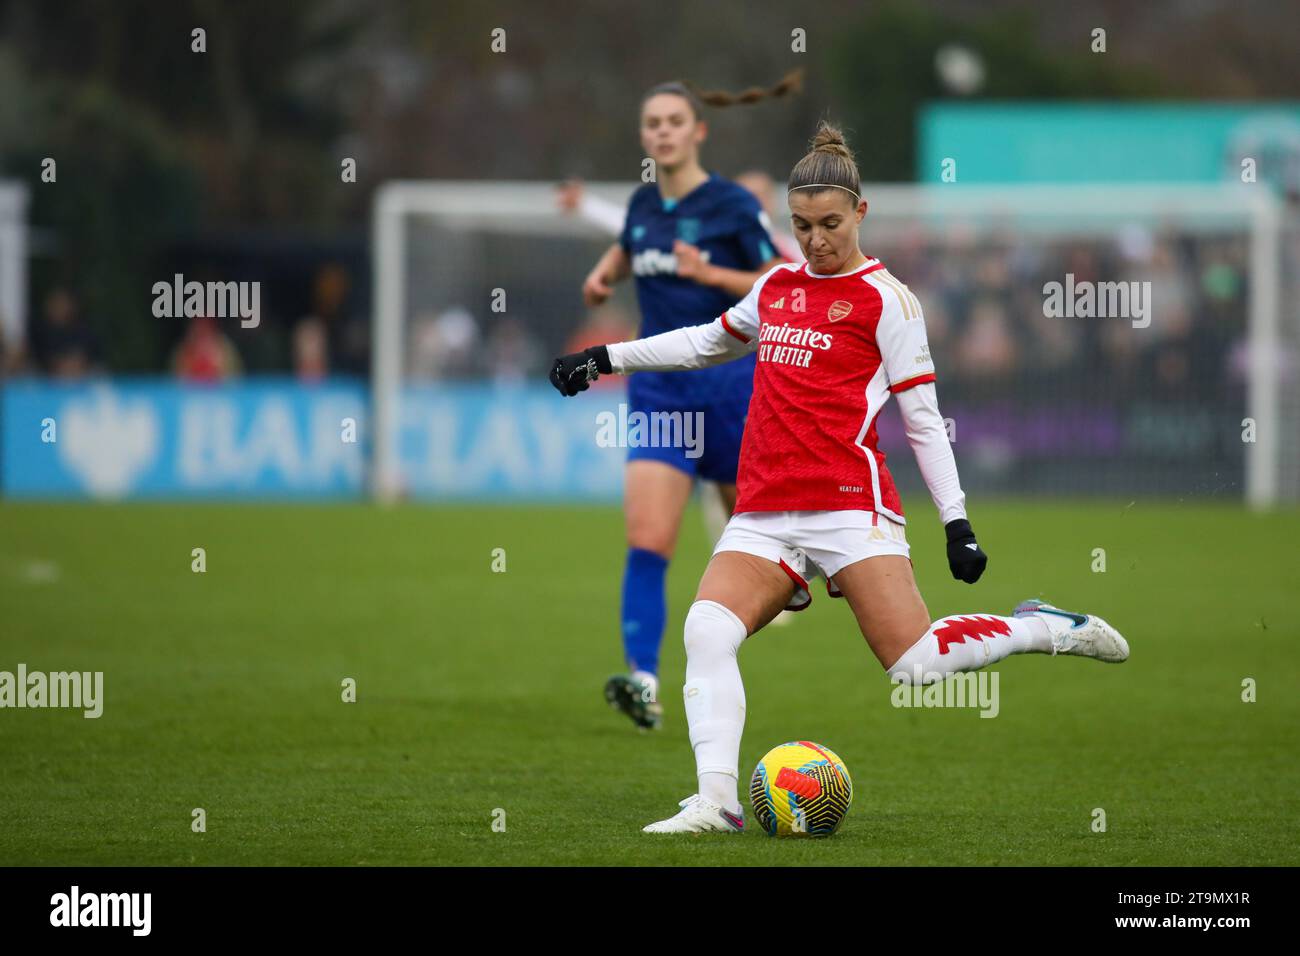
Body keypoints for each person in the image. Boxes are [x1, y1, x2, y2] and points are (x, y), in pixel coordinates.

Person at [550, 122, 1130, 834]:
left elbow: (924, 420)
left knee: (915, 667)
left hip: (851, 509)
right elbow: (706, 343)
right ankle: (717, 802)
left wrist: (958, 522)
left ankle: (1040, 628)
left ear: (860, 213)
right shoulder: (777, 286)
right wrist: (606, 358)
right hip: (763, 513)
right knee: (706, 630)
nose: (816, 240)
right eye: (801, 225)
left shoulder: (888, 301)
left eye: (829, 224)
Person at [574, 74, 797, 730]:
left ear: (699, 131)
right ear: (645, 136)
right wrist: (602, 275)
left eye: (675, 120)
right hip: (660, 393)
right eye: (653, 123)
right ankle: (643, 678)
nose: (663, 131)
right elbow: (628, 249)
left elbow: (777, 279)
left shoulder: (730, 205)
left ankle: (762, 614)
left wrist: (712, 275)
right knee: (647, 538)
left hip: (731, 394)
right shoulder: (643, 206)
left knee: (754, 549)